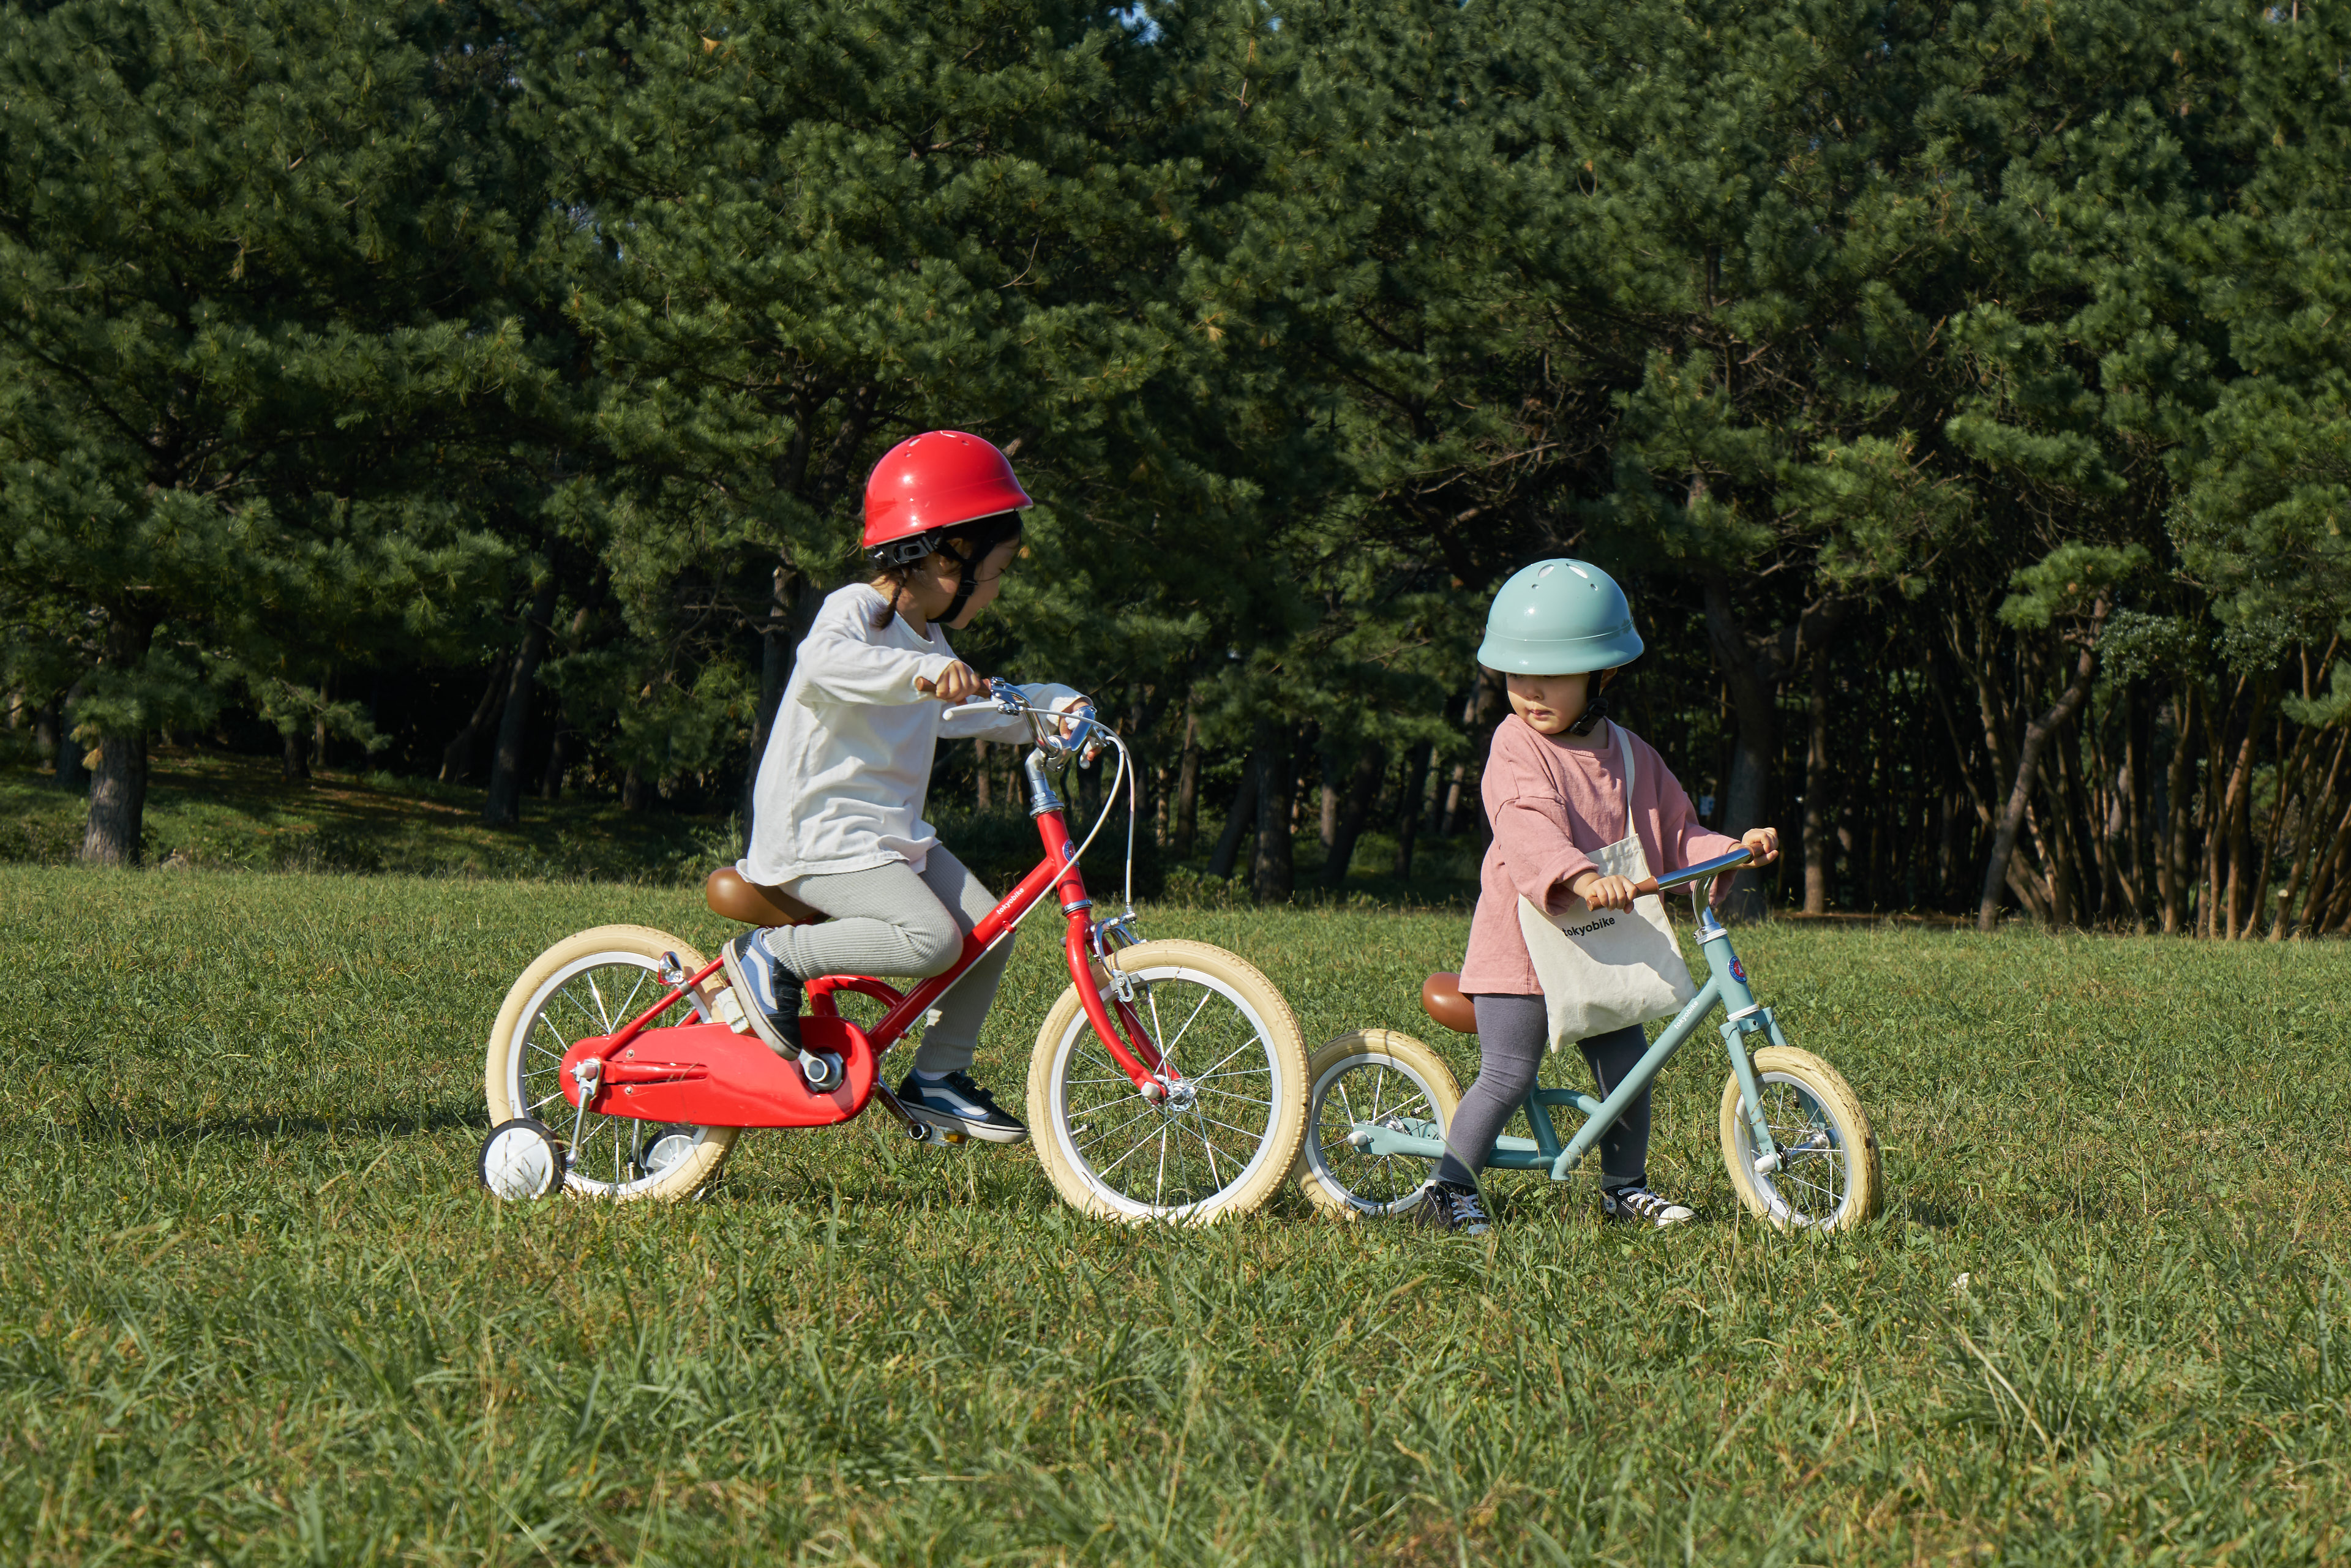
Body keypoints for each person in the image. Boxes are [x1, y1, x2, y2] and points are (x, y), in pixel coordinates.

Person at [721, 430, 1090, 1145]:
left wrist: (1053, 707)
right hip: (818, 836)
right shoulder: (856, 610)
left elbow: (972, 706)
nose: (998, 584)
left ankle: (939, 1076)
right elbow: (827, 662)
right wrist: (916, 676)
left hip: (884, 839)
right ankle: (774, 956)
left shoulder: (927, 638)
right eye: (998, 567)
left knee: (988, 929)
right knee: (929, 939)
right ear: (945, 554)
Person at [1416, 559, 1781, 1234]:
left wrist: (1734, 847)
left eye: (1550, 676)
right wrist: (1580, 876)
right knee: (1510, 1070)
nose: (1530, 692)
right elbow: (1525, 823)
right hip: (1523, 946)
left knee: (1630, 1072)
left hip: (1602, 945)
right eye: (1516, 676)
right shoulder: (1516, 746)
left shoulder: (1634, 756)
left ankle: (1623, 1188)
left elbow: (1677, 833)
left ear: (1603, 676)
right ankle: (1448, 1187)